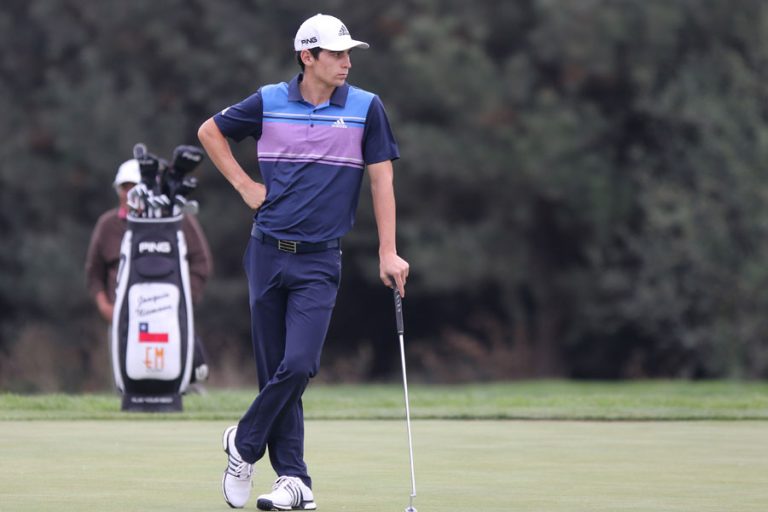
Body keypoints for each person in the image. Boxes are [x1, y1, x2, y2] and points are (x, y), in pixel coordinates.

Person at [197, 12, 409, 511]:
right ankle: (294, 480)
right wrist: (244, 185)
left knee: (298, 364)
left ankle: (243, 442)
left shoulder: (366, 107)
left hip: (319, 261)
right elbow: (209, 132)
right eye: (336, 54)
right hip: (266, 253)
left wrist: (388, 250)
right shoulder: (268, 101)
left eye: (348, 53)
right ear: (307, 56)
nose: (347, 62)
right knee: (274, 368)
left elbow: (381, 179)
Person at [85, 158, 213, 385]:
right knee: (127, 378)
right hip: (123, 316)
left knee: (180, 375)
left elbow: (201, 263)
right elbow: (94, 272)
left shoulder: (176, 219)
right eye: (124, 187)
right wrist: (105, 306)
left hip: (169, 314)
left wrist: (183, 301)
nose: (129, 194)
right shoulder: (107, 225)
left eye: (134, 187)